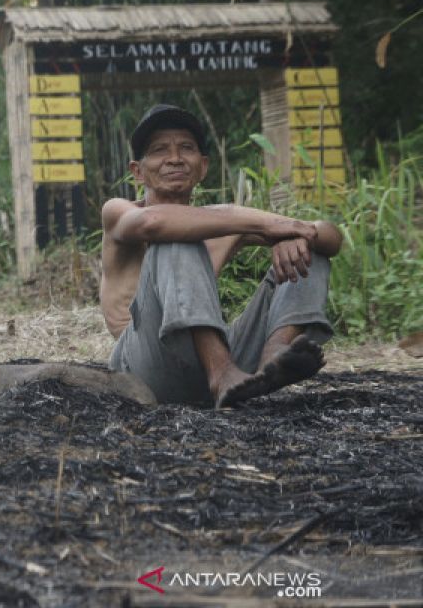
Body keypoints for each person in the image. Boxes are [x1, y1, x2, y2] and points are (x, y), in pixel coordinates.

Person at [100, 104, 343, 408]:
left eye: (186, 148)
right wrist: (269, 225)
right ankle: (221, 372)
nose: (174, 158)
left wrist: (296, 232)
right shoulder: (119, 211)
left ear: (202, 166)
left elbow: (332, 239)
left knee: (311, 248)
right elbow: (155, 223)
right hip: (143, 370)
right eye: (160, 150)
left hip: (216, 368)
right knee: (174, 237)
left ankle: (276, 353)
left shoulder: (222, 220)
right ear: (138, 171)